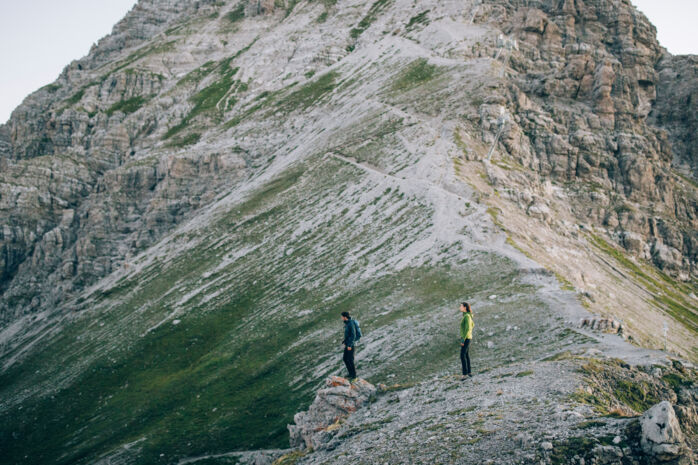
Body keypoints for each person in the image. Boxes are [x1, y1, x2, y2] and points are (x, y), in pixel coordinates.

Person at [341, 311, 358, 380]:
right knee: (345, 359)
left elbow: (353, 335)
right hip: (348, 344)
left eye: (342, 317)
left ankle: (353, 375)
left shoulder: (350, 323)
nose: (341, 318)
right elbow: (348, 335)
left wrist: (350, 345)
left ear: (345, 317)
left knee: (350, 360)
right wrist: (345, 341)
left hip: (351, 345)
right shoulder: (347, 323)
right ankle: (350, 374)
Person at [459, 302, 474, 378]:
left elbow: (468, 328)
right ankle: (469, 372)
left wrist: (463, 339)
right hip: (467, 337)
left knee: (462, 355)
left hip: (466, 338)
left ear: (465, 307)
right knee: (466, 355)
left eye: (461, 306)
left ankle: (464, 374)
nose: (459, 307)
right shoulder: (466, 316)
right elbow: (472, 325)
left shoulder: (467, 316)